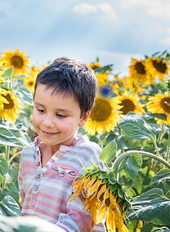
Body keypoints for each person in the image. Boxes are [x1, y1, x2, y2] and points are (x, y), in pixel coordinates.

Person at [18, 57, 106, 232]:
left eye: (60, 115)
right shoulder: (28, 154)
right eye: (41, 110)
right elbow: (26, 206)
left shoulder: (87, 156)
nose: (47, 122)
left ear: (84, 117)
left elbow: (83, 218)